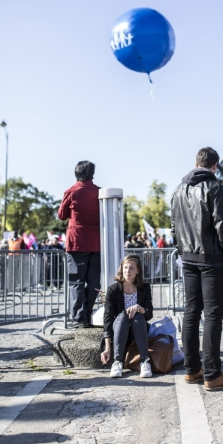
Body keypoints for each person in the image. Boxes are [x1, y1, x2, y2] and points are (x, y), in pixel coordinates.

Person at [171, 146, 223, 391]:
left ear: (195, 162)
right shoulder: (215, 188)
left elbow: (174, 227)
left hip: (188, 259)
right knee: (212, 316)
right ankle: (212, 374)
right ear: (214, 166)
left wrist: (182, 252)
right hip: (212, 260)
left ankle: (192, 370)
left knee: (191, 313)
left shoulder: (178, 190)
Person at [58, 161, 101, 328]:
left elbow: (62, 215)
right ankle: (88, 312)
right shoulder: (99, 191)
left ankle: (78, 317)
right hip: (96, 243)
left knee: (76, 281)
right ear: (92, 173)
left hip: (77, 243)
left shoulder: (71, 191)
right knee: (94, 282)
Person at [101, 255, 153, 378]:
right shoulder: (113, 290)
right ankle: (117, 361)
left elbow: (149, 314)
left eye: (131, 268)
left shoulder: (144, 288)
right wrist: (107, 348)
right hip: (120, 327)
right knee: (123, 316)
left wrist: (140, 308)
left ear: (138, 270)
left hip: (138, 327)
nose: (127, 271)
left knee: (138, 316)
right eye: (125, 268)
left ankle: (144, 361)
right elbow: (108, 318)